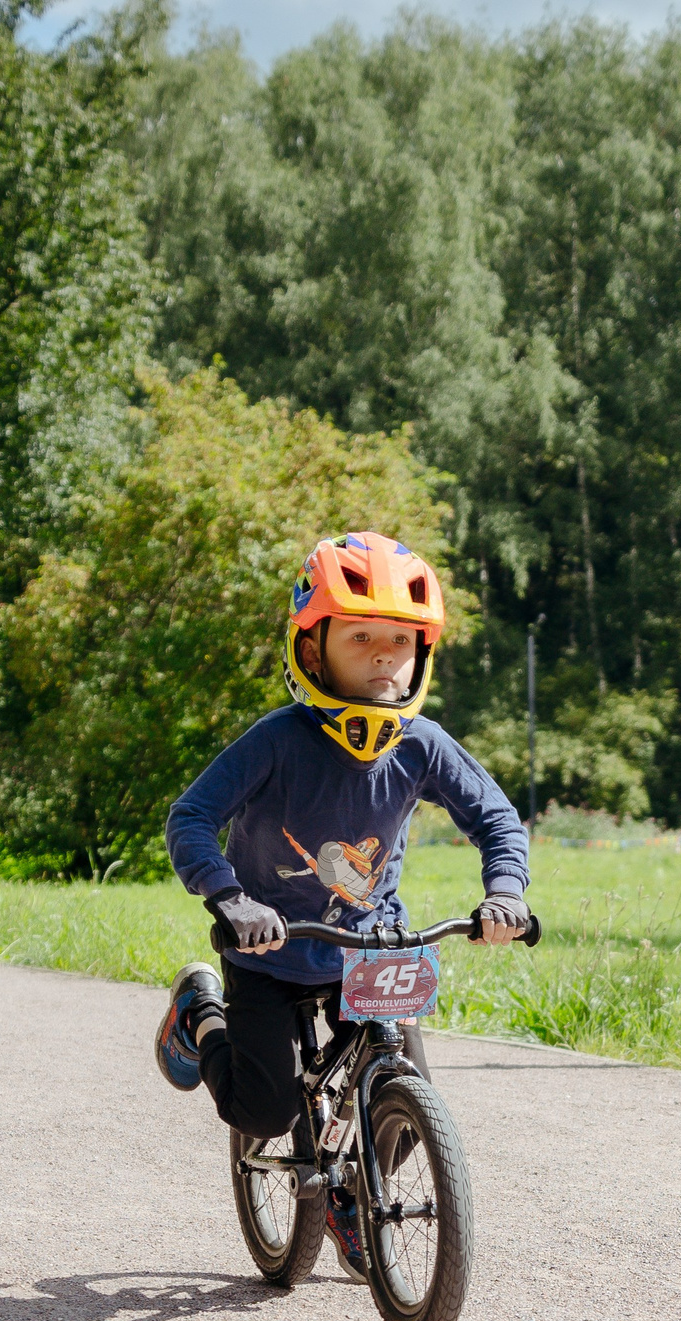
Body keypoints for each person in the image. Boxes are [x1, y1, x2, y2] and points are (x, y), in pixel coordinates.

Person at [151, 532, 531, 1280]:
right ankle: (201, 1013)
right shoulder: (278, 741)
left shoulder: (421, 743)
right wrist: (229, 896)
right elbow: (189, 818)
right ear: (314, 647)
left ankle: (352, 1198)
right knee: (265, 1111)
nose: (386, 654)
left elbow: (496, 817)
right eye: (362, 636)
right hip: (271, 946)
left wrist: (505, 891)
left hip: (371, 950)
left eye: (402, 639)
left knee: (404, 1109)